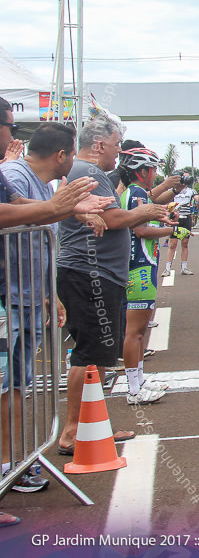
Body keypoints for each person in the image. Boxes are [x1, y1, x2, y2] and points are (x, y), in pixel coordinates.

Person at [0, 121, 112, 497]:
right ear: (61, 155)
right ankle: (7, 464)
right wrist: (67, 208)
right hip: (13, 295)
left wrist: (50, 293)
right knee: (11, 384)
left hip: (29, 291)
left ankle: (15, 460)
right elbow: (14, 210)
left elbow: (30, 212)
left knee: (19, 382)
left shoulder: (31, 178)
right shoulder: (14, 171)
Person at [55, 112, 173, 456]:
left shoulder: (90, 172)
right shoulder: (88, 171)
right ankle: (73, 432)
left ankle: (91, 426)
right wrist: (146, 212)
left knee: (97, 354)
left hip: (95, 273)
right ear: (100, 144)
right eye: (117, 145)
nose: (118, 153)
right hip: (90, 273)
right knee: (90, 354)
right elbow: (113, 218)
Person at [116, 145, 175, 404]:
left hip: (141, 263)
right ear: (143, 171)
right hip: (140, 265)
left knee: (139, 331)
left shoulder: (133, 192)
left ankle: (138, 380)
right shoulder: (137, 192)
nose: (154, 174)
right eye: (152, 169)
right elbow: (140, 230)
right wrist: (171, 232)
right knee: (136, 332)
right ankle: (133, 389)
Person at [161, 172, 199, 276]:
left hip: (186, 218)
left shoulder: (191, 191)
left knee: (185, 243)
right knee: (173, 244)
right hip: (176, 218)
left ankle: (184, 268)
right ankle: (167, 269)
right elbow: (166, 203)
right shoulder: (173, 190)